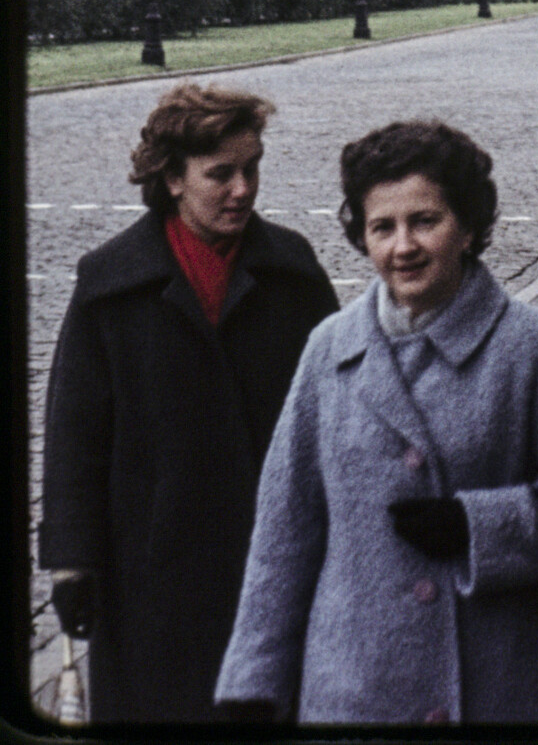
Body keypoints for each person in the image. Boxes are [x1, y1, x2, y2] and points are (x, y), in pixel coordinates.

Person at [215, 118, 538, 726]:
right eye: (382, 227)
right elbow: (284, 532)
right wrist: (251, 685)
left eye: (424, 221)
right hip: (354, 691)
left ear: (467, 228)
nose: (402, 246)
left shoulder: (532, 346)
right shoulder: (330, 350)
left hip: (495, 683)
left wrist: (477, 525)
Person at [38, 84, 338, 723]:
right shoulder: (112, 283)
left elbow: (340, 415)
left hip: (275, 564)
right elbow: (75, 432)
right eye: (221, 174)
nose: (243, 189)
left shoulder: (293, 272)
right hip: (151, 573)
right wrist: (70, 561)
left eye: (252, 168)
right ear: (173, 177)